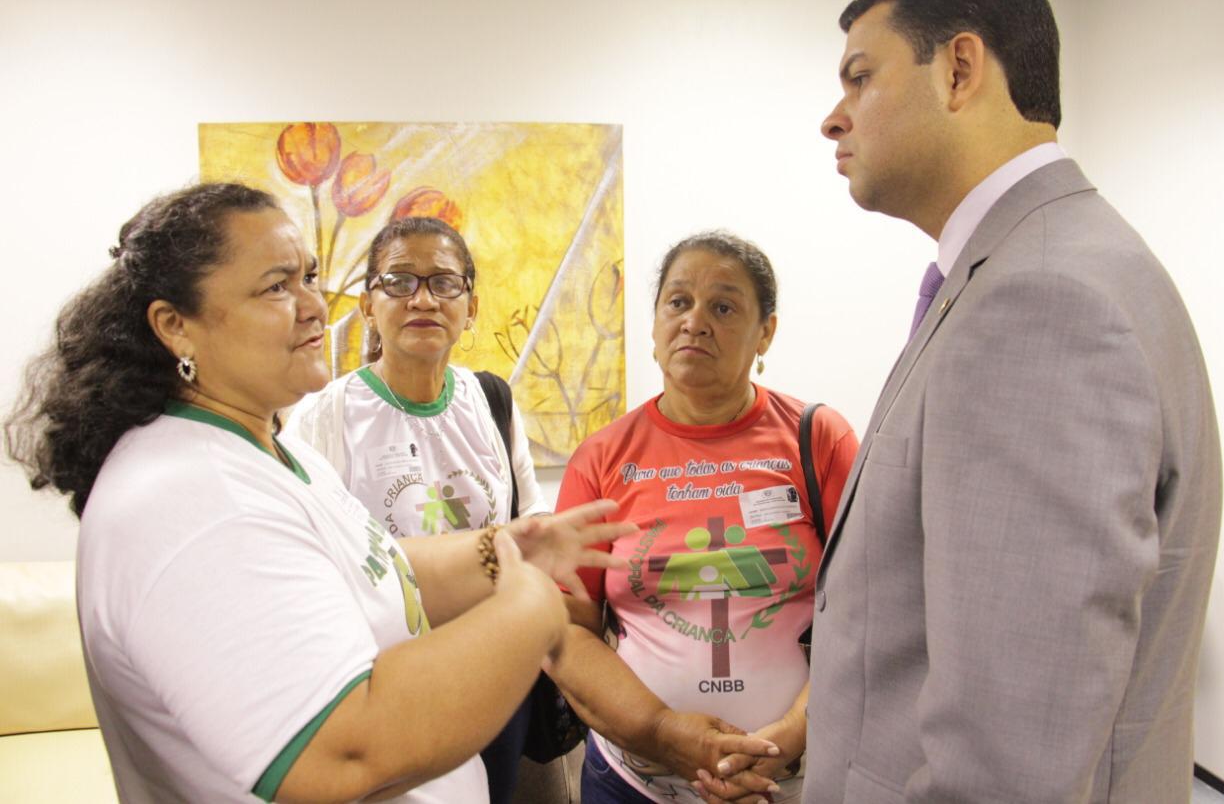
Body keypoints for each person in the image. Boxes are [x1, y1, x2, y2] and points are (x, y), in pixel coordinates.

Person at [4, 183, 633, 803]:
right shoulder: (188, 502)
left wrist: (501, 550)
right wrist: (529, 611)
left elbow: (369, 571)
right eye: (277, 286)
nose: (312, 305)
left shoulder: (272, 447)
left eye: (308, 277)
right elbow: (342, 755)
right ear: (177, 327)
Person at [804, 0, 1222, 802]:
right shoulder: (1046, 264)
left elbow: (1011, 760)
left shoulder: (1041, 301)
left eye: (859, 77)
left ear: (960, 68)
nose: (832, 118)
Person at [546, 231, 860, 804]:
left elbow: (873, 613)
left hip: (789, 779)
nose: (695, 321)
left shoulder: (819, 439)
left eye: (723, 306)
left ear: (766, 331)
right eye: (678, 302)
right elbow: (565, 627)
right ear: (654, 325)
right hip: (632, 780)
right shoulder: (602, 457)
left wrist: (784, 740)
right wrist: (662, 732)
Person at [283, 215, 549, 803]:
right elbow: (310, 564)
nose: (423, 299)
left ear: (471, 306)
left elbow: (528, 536)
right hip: (384, 689)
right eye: (399, 281)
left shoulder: (492, 402)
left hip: (493, 673)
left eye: (444, 283)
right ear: (368, 304)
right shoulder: (323, 416)